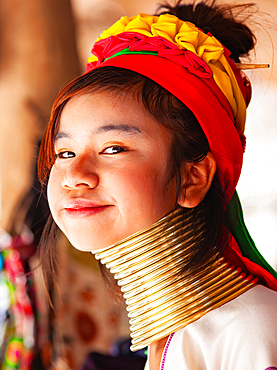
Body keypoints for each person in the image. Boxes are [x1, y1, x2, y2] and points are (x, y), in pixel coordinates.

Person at [38, 1, 277, 369]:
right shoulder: (167, 340)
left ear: (192, 178)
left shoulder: (249, 331)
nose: (74, 174)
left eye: (113, 148)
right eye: (65, 152)